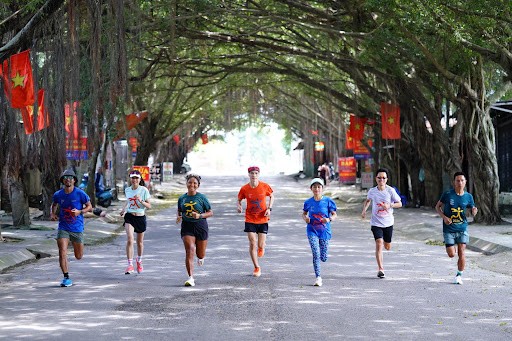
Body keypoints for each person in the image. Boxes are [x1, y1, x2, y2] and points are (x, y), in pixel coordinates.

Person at [50, 169, 93, 287]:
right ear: (63, 180)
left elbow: (90, 206)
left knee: (78, 256)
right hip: (63, 227)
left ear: (74, 180)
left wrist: (80, 211)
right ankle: (66, 277)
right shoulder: (58, 194)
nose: (68, 179)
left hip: (77, 228)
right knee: (62, 251)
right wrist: (52, 214)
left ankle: (75, 252)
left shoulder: (80, 193)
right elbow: (54, 204)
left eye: (70, 177)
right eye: (65, 177)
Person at [435, 171, 478, 285]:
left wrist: (474, 211)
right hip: (449, 229)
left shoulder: (468, 196)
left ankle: (459, 275)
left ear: (465, 182)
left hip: (462, 228)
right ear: (454, 182)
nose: (460, 183)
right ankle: (450, 246)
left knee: (462, 252)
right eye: (457, 180)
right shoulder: (448, 194)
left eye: (462, 180)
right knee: (451, 254)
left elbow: (472, 209)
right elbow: (438, 207)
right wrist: (444, 217)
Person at [361, 168, 402, 279]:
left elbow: (400, 203)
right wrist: (364, 210)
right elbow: (368, 200)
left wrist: (390, 206)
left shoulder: (390, 191)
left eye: (383, 178)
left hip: (388, 222)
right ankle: (381, 269)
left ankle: (386, 242)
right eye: (379, 178)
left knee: (387, 246)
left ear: (387, 179)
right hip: (376, 222)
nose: (381, 180)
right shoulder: (372, 191)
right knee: (379, 243)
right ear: (376, 179)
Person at [176, 174, 213, 287]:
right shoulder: (182, 198)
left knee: (200, 254)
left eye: (194, 183)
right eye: (190, 182)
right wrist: (178, 216)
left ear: (198, 185)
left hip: (201, 226)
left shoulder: (202, 198)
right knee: (190, 249)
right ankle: (190, 278)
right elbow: (179, 210)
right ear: (186, 184)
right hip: (187, 226)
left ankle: (201, 258)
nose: (192, 185)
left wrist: (200, 216)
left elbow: (210, 212)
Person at [237, 166, 274, 277]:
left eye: (256, 173)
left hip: (262, 218)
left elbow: (272, 196)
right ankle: (257, 267)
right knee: (252, 243)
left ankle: (261, 247)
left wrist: (269, 208)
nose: (254, 175)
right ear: (249, 174)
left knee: (260, 244)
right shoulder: (244, 189)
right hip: (250, 218)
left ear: (259, 174)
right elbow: (239, 199)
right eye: (252, 173)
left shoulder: (264, 186)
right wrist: (239, 206)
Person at [302, 178, 337, 287]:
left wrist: (329, 219)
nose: (316, 189)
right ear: (311, 188)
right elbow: (304, 213)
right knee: (315, 253)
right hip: (312, 230)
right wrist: (305, 218)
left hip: (324, 231)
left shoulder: (328, 201)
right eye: (314, 187)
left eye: (319, 187)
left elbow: (334, 214)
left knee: (323, 257)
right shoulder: (308, 202)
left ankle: (323, 257)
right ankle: (318, 277)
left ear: (322, 188)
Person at [120, 169, 151, 274]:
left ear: (140, 179)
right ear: (130, 179)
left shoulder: (144, 190)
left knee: (140, 242)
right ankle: (130, 265)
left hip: (140, 217)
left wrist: (140, 200)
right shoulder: (127, 190)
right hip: (129, 216)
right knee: (129, 239)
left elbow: (149, 206)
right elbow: (127, 201)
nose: (134, 180)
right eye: (132, 178)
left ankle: (139, 260)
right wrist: (123, 209)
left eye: (136, 178)